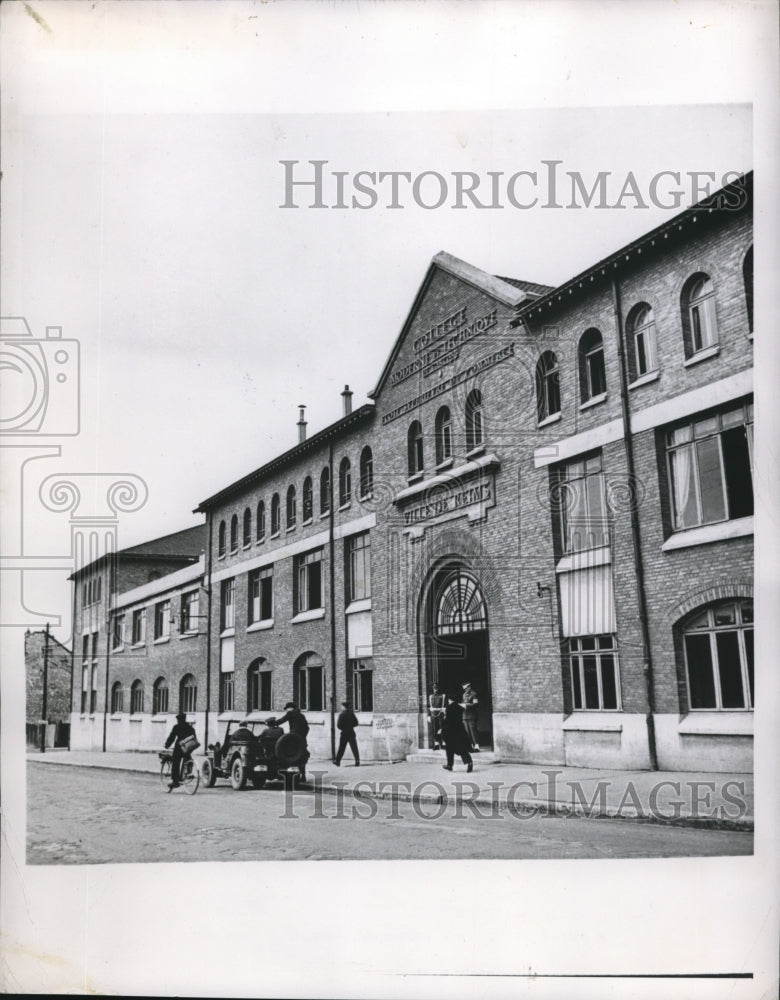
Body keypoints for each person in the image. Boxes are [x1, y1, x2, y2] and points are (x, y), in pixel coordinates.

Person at [276, 701, 310, 781]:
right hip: (301, 740)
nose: (286, 711)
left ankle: (285, 774)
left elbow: (281, 720)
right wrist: (302, 736)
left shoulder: (290, 713)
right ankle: (303, 775)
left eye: (286, 709)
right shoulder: (302, 715)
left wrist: (273, 723)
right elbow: (307, 728)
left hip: (292, 740)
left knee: (289, 755)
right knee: (301, 756)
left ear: (289, 708)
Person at [164, 712, 197, 790]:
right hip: (188, 747)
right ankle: (189, 772)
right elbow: (194, 738)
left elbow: (172, 737)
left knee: (175, 761)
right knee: (188, 758)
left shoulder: (177, 727)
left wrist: (167, 745)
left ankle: (175, 781)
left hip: (179, 747)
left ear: (179, 720)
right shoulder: (190, 727)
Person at [441, 694, 473, 772]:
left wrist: (442, 728)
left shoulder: (449, 708)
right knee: (462, 748)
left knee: (449, 749)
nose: (448, 701)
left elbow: (448, 720)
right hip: (459, 730)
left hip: (451, 731)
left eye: (449, 699)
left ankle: (449, 765)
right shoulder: (460, 707)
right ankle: (469, 762)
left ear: (451, 700)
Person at [333, 702, 359, 766]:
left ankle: (337, 761)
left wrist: (343, 727)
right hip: (351, 732)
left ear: (344, 707)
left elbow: (338, 726)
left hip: (344, 733)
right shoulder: (351, 714)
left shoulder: (341, 715)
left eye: (341, 706)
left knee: (341, 748)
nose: (341, 707)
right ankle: (357, 761)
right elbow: (356, 723)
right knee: (354, 748)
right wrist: (350, 726)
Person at [460, 681, 480, 751]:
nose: (465, 690)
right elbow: (463, 702)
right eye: (465, 689)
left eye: (467, 688)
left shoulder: (474, 694)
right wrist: (462, 705)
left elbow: (476, 704)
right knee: (467, 731)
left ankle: (476, 745)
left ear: (469, 687)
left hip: (472, 715)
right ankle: (470, 745)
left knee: (473, 731)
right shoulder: (464, 694)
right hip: (465, 715)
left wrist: (467, 705)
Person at [427, 683, 446, 750]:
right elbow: (429, 707)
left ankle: (443, 743)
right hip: (433, 715)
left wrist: (445, 715)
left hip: (440, 714)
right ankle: (436, 744)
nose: (435, 690)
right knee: (435, 729)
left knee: (442, 729)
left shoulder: (443, 696)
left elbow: (445, 706)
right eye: (434, 688)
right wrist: (428, 715)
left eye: (436, 688)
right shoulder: (430, 697)